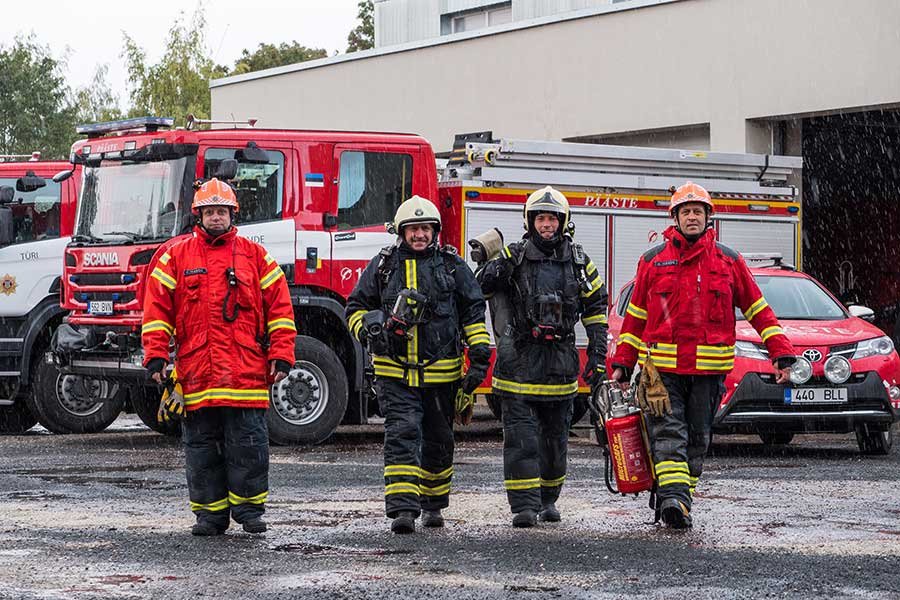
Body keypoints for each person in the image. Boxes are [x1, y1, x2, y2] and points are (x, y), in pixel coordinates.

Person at [610, 181, 797, 529]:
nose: (692, 217)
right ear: (675, 218)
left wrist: (780, 352)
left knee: (697, 440)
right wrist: (623, 362)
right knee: (669, 435)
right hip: (663, 373)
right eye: (686, 212)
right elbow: (635, 317)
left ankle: (678, 498)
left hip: (709, 375)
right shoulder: (652, 261)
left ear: (708, 217)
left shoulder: (729, 261)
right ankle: (673, 500)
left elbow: (758, 310)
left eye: (697, 211)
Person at [141, 178, 297, 536]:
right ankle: (210, 517)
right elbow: (157, 310)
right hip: (198, 374)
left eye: (221, 212)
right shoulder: (175, 257)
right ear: (199, 215)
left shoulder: (255, 256)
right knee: (201, 450)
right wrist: (156, 355)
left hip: (245, 373)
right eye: (209, 211)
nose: (215, 217)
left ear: (232, 215)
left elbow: (280, 308)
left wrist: (282, 353)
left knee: (249, 447)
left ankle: (250, 512)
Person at [346, 195, 489, 534]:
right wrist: (370, 331)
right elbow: (355, 307)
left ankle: (433, 505)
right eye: (413, 229)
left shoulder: (452, 267)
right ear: (402, 232)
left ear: (434, 231)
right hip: (394, 374)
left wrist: (479, 357)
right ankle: (403, 511)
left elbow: (473, 312)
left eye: (425, 228)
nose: (420, 235)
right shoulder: (383, 266)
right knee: (402, 435)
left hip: (442, 375)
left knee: (439, 441)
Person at [477, 186, 608, 528]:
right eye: (541, 219)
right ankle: (523, 506)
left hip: (560, 369)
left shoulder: (579, 262)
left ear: (563, 222)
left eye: (552, 219)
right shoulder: (515, 255)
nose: (547, 225)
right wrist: (497, 265)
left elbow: (596, 309)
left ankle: (548, 500)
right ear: (530, 222)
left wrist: (597, 357)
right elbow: (480, 288)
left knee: (554, 444)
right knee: (521, 442)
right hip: (518, 367)